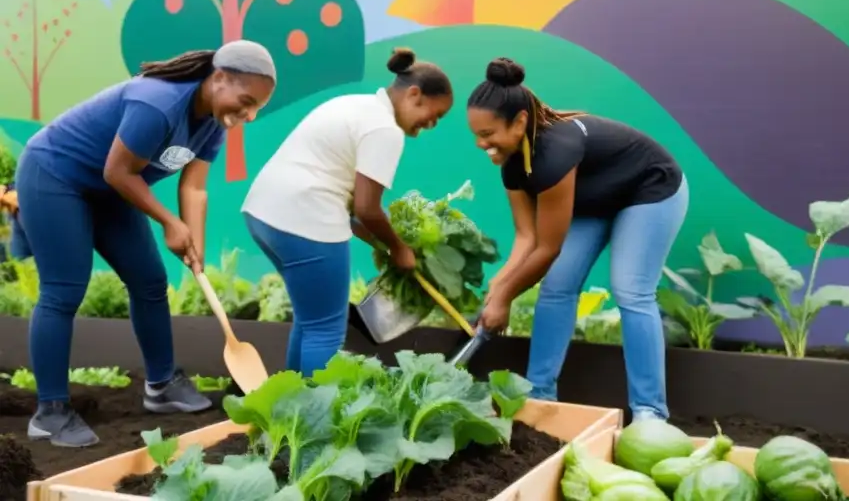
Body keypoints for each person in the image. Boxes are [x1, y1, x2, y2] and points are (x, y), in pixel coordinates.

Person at [15, 41, 277, 448]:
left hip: (108, 189)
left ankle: (161, 385)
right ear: (220, 78)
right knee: (63, 290)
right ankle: (50, 412)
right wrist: (170, 223)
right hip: (55, 177)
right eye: (246, 102)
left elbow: (194, 187)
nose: (249, 115)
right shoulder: (158, 103)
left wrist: (195, 243)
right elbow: (118, 171)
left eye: (256, 107)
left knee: (150, 281)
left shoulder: (212, 121)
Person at [468, 57, 688, 423]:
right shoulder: (512, 164)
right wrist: (499, 286)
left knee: (631, 290)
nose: (480, 143)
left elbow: (548, 248)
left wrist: (506, 298)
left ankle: (651, 413)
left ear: (519, 122)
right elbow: (526, 238)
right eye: (476, 134)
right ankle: (539, 396)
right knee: (557, 285)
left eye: (488, 134)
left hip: (650, 188)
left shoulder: (555, 152)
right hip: (596, 197)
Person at [242, 47, 454, 377]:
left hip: (264, 214)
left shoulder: (355, 104)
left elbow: (355, 212)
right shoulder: (385, 129)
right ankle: (319, 421)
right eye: (435, 113)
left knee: (310, 320)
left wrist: (384, 245)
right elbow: (367, 209)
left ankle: (292, 406)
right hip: (306, 218)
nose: (433, 123)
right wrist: (399, 249)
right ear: (414, 94)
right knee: (326, 329)